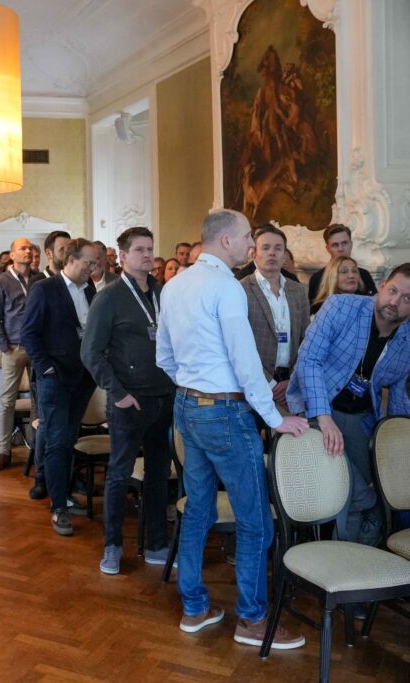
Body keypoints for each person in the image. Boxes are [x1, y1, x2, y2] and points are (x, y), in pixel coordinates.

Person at [157, 209, 308, 649]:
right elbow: (245, 363)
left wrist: (194, 386)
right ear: (225, 240)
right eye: (246, 237)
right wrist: (275, 418)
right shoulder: (226, 287)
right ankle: (253, 622)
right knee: (255, 520)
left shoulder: (175, 284)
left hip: (187, 406)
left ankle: (194, 608)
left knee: (197, 510)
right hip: (225, 412)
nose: (250, 245)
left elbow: (164, 356)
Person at [287, 264, 410, 548]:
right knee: (353, 487)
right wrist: (324, 417)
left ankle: (354, 555)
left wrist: (394, 448)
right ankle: (362, 517)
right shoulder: (340, 307)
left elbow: (400, 395)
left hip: (360, 416)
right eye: (393, 290)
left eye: (407, 298)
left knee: (370, 481)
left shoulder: (407, 339)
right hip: (315, 406)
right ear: (382, 286)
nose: (395, 301)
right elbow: (309, 361)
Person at [82, 227, 174, 573]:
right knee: (119, 475)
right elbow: (90, 352)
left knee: (158, 476)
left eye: (150, 248)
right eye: (139, 250)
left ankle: (156, 544)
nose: (147, 255)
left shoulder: (163, 293)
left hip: (164, 397)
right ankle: (113, 546)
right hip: (128, 401)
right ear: (122, 257)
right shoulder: (109, 297)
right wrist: (118, 393)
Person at [22, 238, 98, 535]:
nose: (92, 268)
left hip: (83, 378)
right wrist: (46, 368)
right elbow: (28, 333)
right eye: (88, 262)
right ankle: (58, 507)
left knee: (69, 438)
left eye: (94, 263)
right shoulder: (45, 288)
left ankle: (64, 494)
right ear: (71, 259)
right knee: (56, 441)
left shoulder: (89, 289)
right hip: (55, 378)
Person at [238, 225, 310, 416]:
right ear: (254, 254)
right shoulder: (241, 289)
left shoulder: (299, 291)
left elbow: (306, 339)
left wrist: (293, 379)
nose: (272, 253)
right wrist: (270, 383)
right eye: (265, 248)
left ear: (285, 255)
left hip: (290, 381)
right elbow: (240, 344)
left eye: (278, 248)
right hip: (255, 382)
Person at [0, 238, 44, 471]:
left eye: (30, 248)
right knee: (7, 401)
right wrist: (5, 347)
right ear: (12, 255)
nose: (28, 251)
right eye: (23, 248)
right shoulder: (1, 281)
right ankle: (4, 451)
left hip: (38, 347)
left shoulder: (40, 279)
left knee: (39, 399)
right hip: (13, 347)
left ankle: (36, 446)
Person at [307, 224, 378, 302]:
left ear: (351, 245)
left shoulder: (364, 275)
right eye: (335, 245)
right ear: (328, 249)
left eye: (344, 243)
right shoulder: (318, 278)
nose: (340, 249)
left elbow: (374, 305)